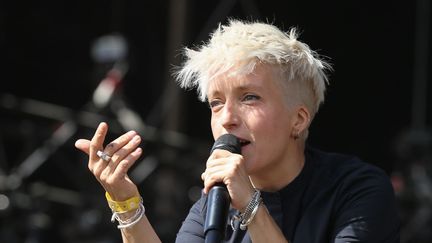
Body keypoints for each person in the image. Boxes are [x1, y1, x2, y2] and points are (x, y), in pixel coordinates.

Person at [75, 19, 400, 242]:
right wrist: (126, 202)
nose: (227, 118)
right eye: (216, 103)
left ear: (299, 120)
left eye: (250, 97)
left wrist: (250, 205)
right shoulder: (212, 204)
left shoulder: (357, 189)